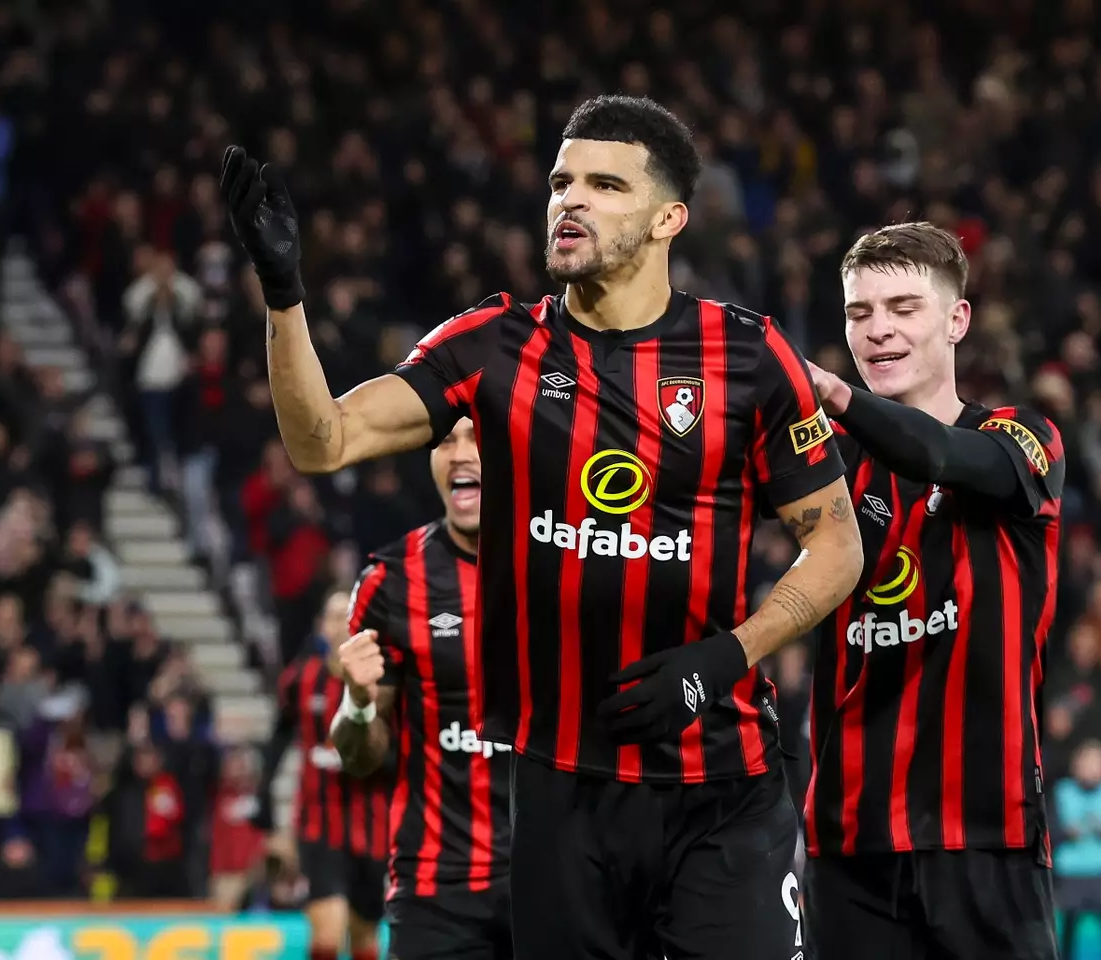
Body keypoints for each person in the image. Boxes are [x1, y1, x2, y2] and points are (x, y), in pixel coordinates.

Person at [220, 93, 864, 960]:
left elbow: (838, 545)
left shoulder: (747, 355)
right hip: (562, 792)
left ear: (669, 217)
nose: (571, 200)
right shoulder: (492, 344)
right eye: (562, 181)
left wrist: (726, 657)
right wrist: (284, 294)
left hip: (723, 784)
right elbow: (321, 441)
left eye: (605, 184)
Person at [802, 222, 1064, 959]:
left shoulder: (1021, 436)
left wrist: (834, 394)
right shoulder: (825, 468)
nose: (878, 330)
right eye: (860, 313)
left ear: (957, 320)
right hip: (846, 840)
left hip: (985, 832)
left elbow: (941, 451)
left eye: (903, 307)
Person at [329, 416, 513, 959]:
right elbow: (359, 757)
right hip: (437, 890)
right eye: (445, 441)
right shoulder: (391, 581)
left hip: (556, 881)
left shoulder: (574, 560)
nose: (460, 453)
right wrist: (359, 705)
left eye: (478, 437)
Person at [256, 589, 390, 960]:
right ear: (321, 626)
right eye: (333, 616)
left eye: (349, 616)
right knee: (328, 927)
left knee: (364, 934)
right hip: (319, 822)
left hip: (372, 825)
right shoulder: (302, 678)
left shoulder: (385, 684)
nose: (341, 625)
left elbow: (401, 746)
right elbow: (278, 736)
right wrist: (263, 797)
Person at [1052, 740, 1101, 960]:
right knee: (1069, 931)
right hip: (1072, 871)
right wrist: (1066, 833)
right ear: (1076, 766)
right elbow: (1049, 829)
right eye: (1088, 763)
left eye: (1098, 763)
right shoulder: (1061, 791)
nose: (1092, 769)